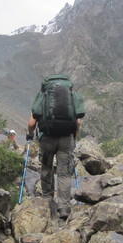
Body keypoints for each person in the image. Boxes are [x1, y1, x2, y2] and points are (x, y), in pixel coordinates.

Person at [26, 75, 85, 219]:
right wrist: (73, 138)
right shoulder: (71, 97)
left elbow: (32, 123)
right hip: (66, 138)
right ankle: (64, 207)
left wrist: (30, 135)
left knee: (46, 168)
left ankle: (47, 201)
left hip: (46, 137)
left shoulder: (42, 96)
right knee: (64, 173)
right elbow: (78, 122)